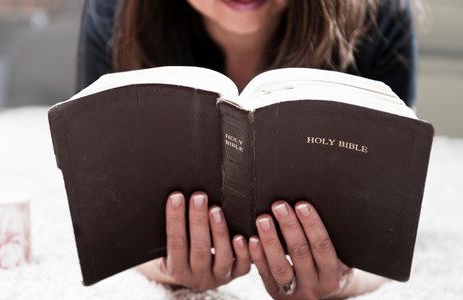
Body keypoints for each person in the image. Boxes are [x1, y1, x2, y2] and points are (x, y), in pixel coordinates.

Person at [76, 0, 419, 298]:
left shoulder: (380, 14)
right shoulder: (114, 12)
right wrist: (162, 265)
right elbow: (98, 211)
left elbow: (397, 227)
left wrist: (346, 282)